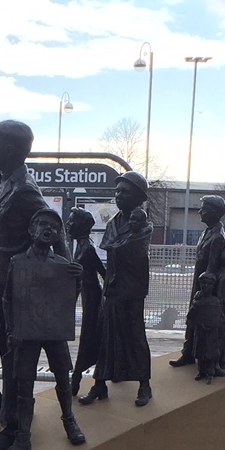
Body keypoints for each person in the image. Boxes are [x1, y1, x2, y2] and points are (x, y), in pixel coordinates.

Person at [0, 121, 67, 450]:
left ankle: (14, 430)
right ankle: (7, 419)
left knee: (15, 362)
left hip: (17, 292)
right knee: (4, 357)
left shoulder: (26, 191)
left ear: (14, 150)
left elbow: (55, 235)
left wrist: (64, 279)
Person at [0, 210, 86, 450]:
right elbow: (7, 298)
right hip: (27, 332)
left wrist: (77, 283)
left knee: (63, 378)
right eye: (42, 224)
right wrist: (11, 329)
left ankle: (69, 421)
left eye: (54, 227)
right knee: (24, 384)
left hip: (54, 331)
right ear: (31, 229)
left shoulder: (62, 266)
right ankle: (23, 439)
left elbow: (68, 300)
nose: (48, 229)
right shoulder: (17, 262)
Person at [83, 171, 154, 407]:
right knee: (106, 336)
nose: (118, 195)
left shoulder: (144, 227)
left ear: (137, 196)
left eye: (124, 191)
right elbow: (110, 246)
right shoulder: (114, 222)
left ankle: (144, 384)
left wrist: (118, 245)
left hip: (131, 291)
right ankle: (100, 383)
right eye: (117, 191)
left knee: (134, 336)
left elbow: (127, 249)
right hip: (112, 288)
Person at [170, 194, 225, 371]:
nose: (200, 211)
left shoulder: (217, 236)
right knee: (193, 319)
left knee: (201, 319)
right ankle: (188, 352)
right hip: (199, 280)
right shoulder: (207, 231)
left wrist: (204, 292)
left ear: (214, 212)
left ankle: (202, 357)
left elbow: (211, 268)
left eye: (204, 208)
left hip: (205, 285)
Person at [66, 207, 104, 400]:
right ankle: (90, 381)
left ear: (80, 226)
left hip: (94, 300)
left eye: (72, 221)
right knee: (89, 339)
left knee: (90, 339)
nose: (68, 224)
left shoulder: (87, 249)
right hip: (87, 297)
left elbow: (104, 273)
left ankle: (78, 378)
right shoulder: (80, 246)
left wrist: (106, 298)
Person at [187, 273, 225, 382]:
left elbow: (218, 316)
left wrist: (215, 327)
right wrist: (199, 324)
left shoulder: (215, 301)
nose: (205, 286)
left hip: (212, 332)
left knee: (211, 353)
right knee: (200, 353)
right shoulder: (197, 301)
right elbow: (191, 316)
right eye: (203, 283)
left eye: (208, 284)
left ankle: (211, 373)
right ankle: (201, 371)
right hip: (200, 331)